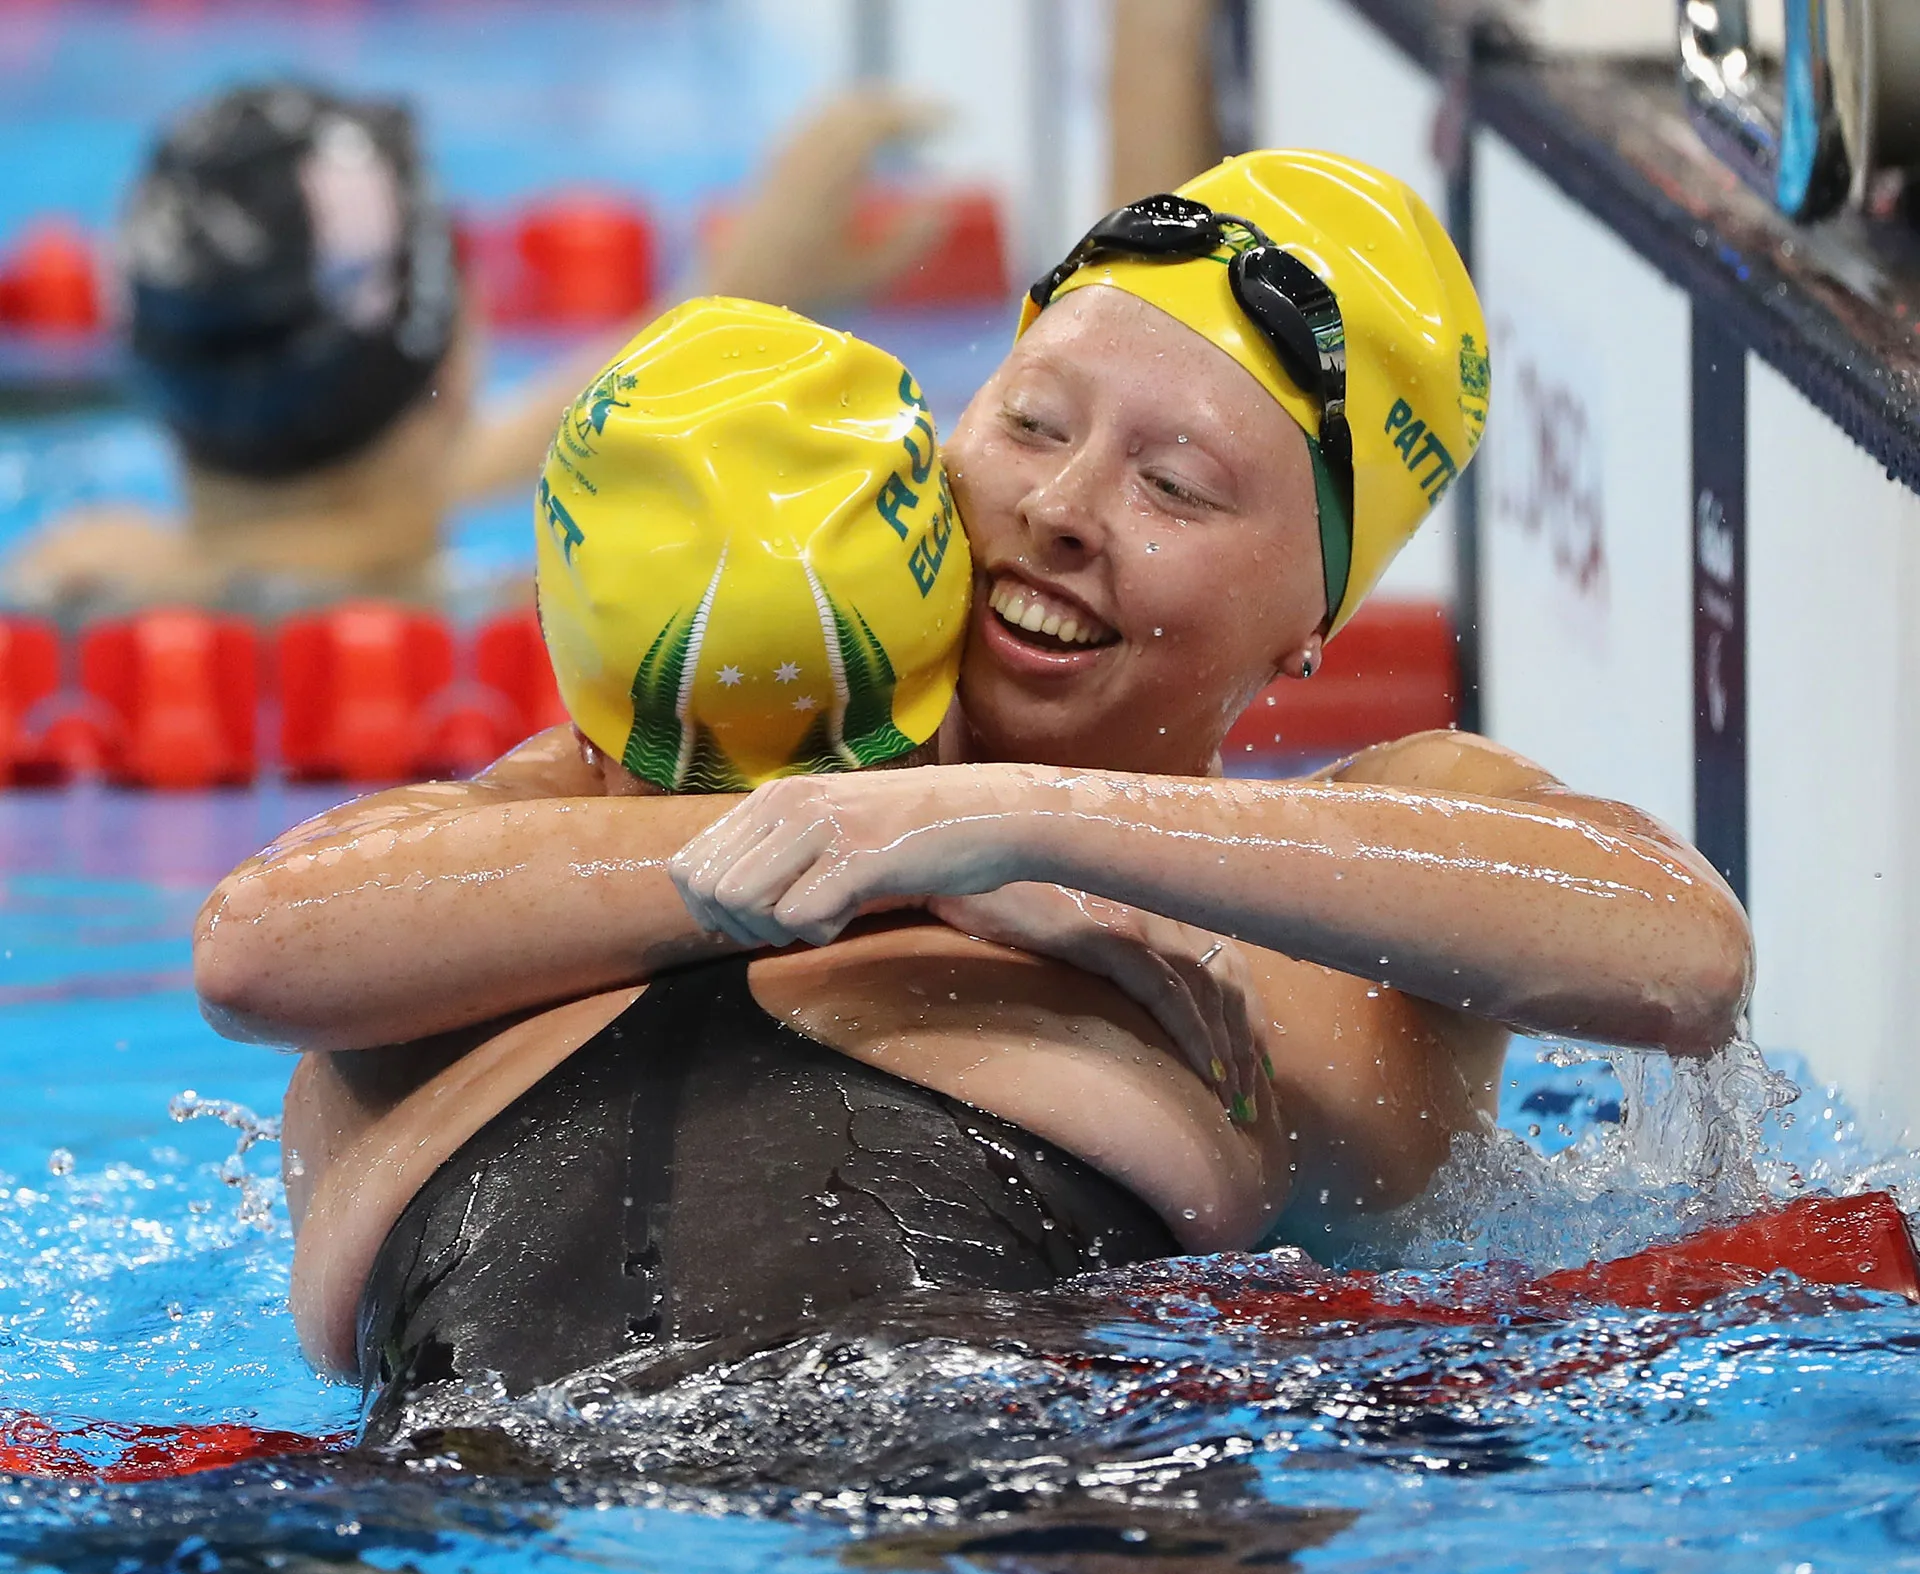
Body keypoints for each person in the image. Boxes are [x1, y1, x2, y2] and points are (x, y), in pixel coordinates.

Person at [193, 151, 1751, 1415]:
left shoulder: (1377, 845)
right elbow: (261, 947)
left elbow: (1687, 957)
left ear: (1315, 621)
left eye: (1176, 486)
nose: (1063, 509)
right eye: (1032, 421)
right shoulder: (718, 744)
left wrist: (1005, 818)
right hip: (465, 1456)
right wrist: (875, 851)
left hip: (983, 1453)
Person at [0, 82, 945, 615]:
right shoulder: (533, 624)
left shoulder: (75, 576)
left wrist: (712, 294)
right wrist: (724, 305)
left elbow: (346, 509)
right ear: (453, 348)